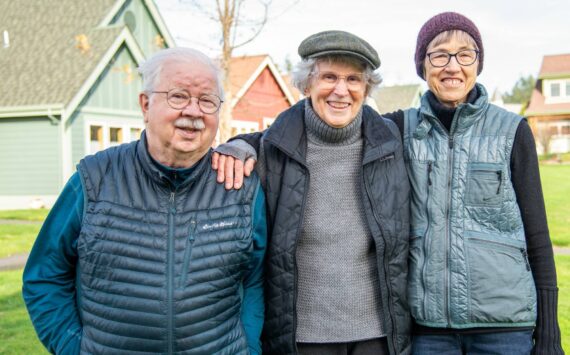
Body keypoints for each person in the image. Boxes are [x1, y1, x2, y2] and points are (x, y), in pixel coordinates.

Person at [214, 13, 563, 355]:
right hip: (424, 329)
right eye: (439, 55)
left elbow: (536, 237)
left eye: (465, 54)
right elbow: (287, 135)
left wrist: (549, 331)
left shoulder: (504, 131)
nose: (452, 66)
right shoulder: (400, 128)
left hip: (496, 328)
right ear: (422, 67)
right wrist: (242, 144)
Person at [22, 47, 267, 355]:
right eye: (178, 96)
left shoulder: (240, 188)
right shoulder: (94, 180)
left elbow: (256, 281)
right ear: (145, 104)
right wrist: (73, 347)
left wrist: (248, 349)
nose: (193, 111)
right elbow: (44, 277)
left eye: (207, 100)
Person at [215, 30, 412, 354]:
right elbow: (264, 140)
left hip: (378, 336)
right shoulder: (274, 149)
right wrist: (238, 144)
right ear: (307, 84)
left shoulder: (390, 143)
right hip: (303, 338)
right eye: (329, 77)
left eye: (353, 79)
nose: (341, 90)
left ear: (366, 88)